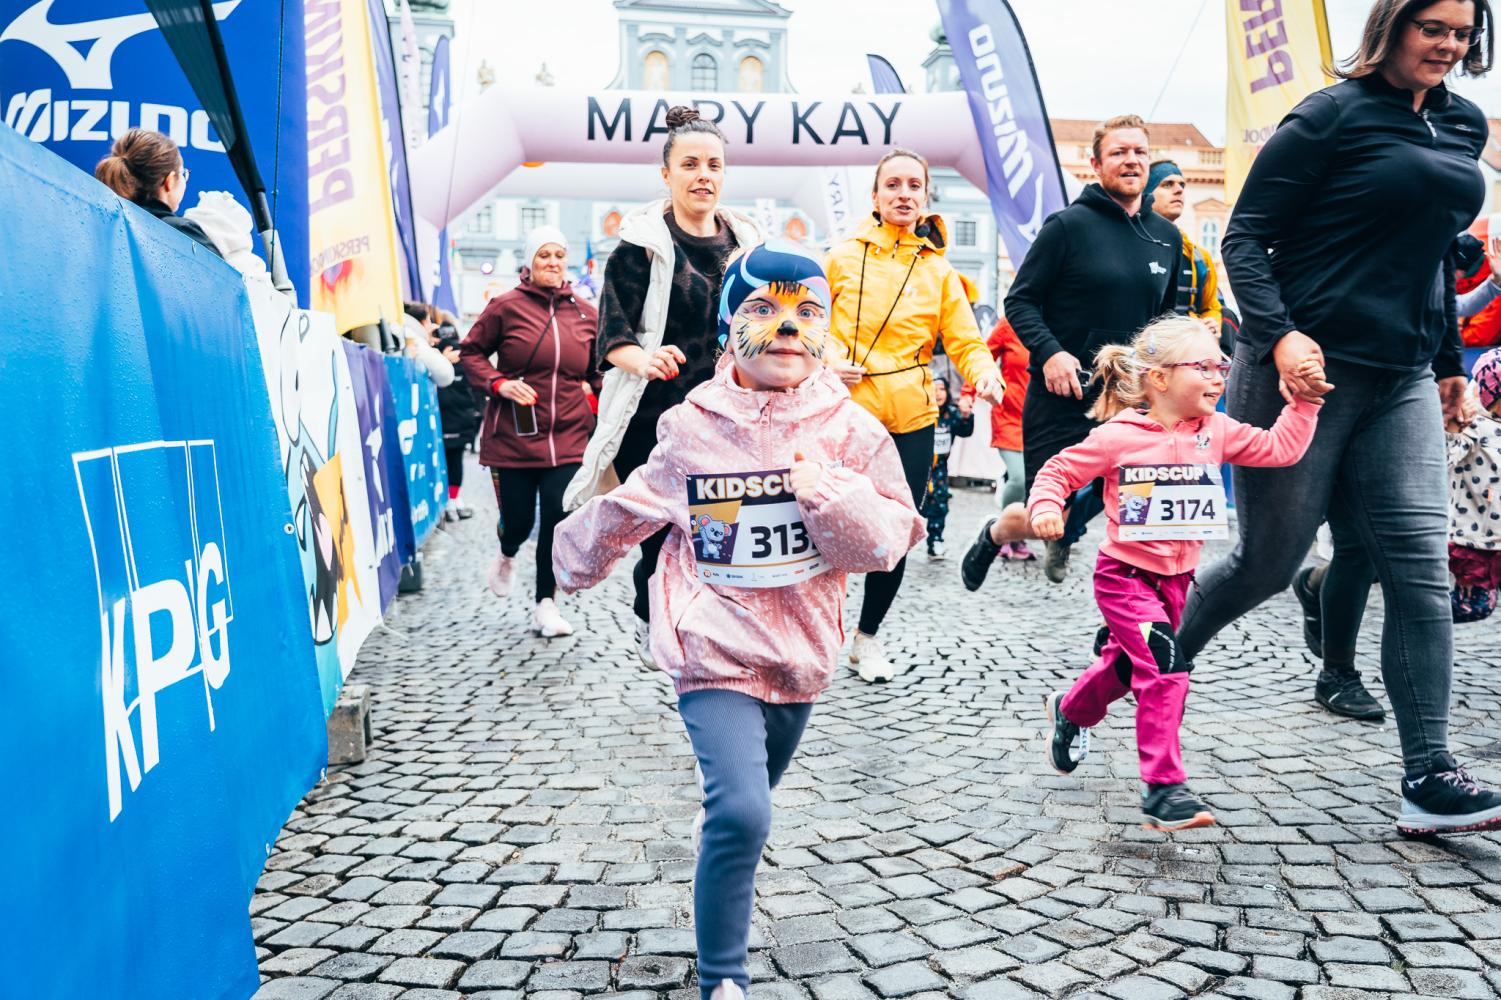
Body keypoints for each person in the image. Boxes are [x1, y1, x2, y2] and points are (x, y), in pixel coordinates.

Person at [552, 242, 926, 1000]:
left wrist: (828, 493)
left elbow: (888, 542)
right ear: (728, 327)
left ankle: (724, 826)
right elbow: (641, 502)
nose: (787, 327)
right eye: (762, 309)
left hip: (803, 652)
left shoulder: (853, 431)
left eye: (807, 312)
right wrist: (573, 558)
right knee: (746, 814)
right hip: (712, 646)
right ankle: (724, 978)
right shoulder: (692, 426)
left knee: (745, 804)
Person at [1176, 0, 1501, 836]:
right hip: (1302, 375)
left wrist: (1444, 365)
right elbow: (1243, 239)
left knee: (1420, 571)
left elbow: (1430, 257)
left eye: (1462, 33)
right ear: (1392, 24)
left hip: (1401, 378)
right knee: (1266, 564)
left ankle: (1428, 776)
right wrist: (1279, 336)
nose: (1449, 45)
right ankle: (1142, 664)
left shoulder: (1462, 124)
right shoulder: (1329, 115)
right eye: (1433, 28)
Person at [1034, 316, 1322, 830]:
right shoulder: (1116, 436)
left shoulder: (1218, 431)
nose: (1217, 378)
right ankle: (1164, 789)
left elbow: (1281, 449)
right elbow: (1059, 470)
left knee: (1125, 668)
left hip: (1177, 581)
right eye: (1203, 367)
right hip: (1124, 577)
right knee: (1167, 668)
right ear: (1160, 378)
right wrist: (1046, 506)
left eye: (1221, 367)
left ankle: (1071, 710)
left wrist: (1304, 404)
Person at [566, 106, 762, 663]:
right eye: (691, 164)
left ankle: (704, 630)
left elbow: (766, 320)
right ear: (667, 174)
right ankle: (653, 606)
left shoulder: (748, 246)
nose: (704, 176)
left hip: (725, 418)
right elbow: (612, 338)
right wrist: (646, 358)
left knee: (715, 534)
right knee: (663, 531)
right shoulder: (639, 248)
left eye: (714, 165)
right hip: (652, 420)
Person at [961, 115, 1181, 591]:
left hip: (1130, 401)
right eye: (1119, 152)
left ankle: (1133, 615)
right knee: (1049, 515)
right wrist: (1051, 353)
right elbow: (1020, 301)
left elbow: (1167, 321)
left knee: (1140, 510)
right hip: (1063, 398)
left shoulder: (1167, 237)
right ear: (1096, 164)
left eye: (1139, 152)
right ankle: (996, 532)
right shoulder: (1067, 227)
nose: (1131, 161)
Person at [824, 147, 1005, 681]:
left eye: (914, 186)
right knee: (822, 521)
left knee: (896, 529)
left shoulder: (939, 271)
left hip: (911, 417)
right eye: (893, 185)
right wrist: (829, 360)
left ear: (925, 196)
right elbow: (809, 325)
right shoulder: (840, 257)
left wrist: (985, 374)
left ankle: (866, 638)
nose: (904, 194)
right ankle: (814, 631)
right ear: (875, 195)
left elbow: (966, 340)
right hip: (843, 411)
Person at [460, 225, 599, 638]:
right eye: (544, 255)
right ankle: (507, 552)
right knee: (519, 522)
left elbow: (599, 372)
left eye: (559, 255)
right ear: (529, 262)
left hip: (570, 435)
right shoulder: (505, 307)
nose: (553, 263)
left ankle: (546, 604)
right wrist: (498, 383)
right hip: (515, 435)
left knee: (558, 519)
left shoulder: (586, 314)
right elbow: (471, 353)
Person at [93, 128, 221, 257]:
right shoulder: (181, 233)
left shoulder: (103, 228)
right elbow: (218, 270)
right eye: (183, 173)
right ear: (170, 181)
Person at [1448, 348, 1501, 619]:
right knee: (1474, 607)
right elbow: (1443, 459)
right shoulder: (1473, 426)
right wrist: (1453, 430)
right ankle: (1415, 614)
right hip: (1475, 542)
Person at [1146, 160, 1223, 332]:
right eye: (1167, 184)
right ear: (1146, 193)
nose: (1179, 190)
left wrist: (1211, 324)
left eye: (1182, 185)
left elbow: (1211, 307)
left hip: (1186, 344)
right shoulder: (1131, 243)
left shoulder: (1199, 257)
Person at [987, 318, 1035, 560]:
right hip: (1008, 416)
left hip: (1038, 419)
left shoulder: (1056, 321)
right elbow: (982, 359)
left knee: (1033, 482)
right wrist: (967, 394)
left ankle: (1018, 535)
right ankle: (1003, 532)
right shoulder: (1009, 325)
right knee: (1018, 478)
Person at [922, 377, 975, 559]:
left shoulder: (951, 413)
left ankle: (935, 540)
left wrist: (967, 415)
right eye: (933, 389)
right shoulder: (919, 412)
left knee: (940, 502)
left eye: (942, 389)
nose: (938, 394)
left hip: (940, 469)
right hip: (919, 466)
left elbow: (965, 431)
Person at [436, 314, 481, 522]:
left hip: (448, 421)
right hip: (454, 420)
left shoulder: (436, 358)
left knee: (446, 461)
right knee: (452, 461)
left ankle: (449, 501)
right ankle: (451, 500)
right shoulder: (463, 359)